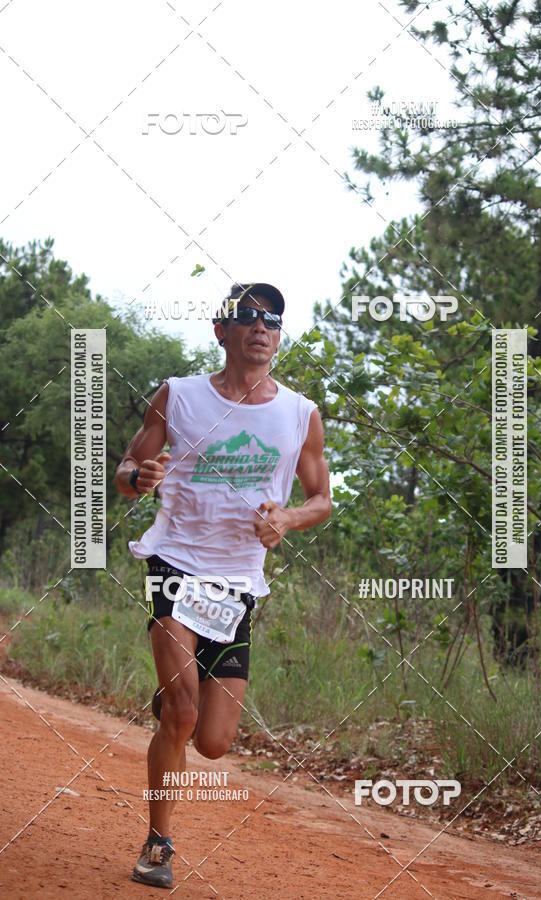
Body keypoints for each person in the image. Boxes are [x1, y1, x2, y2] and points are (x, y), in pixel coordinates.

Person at [114, 283, 331, 888]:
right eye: (250, 316)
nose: (262, 326)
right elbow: (126, 471)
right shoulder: (177, 395)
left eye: (273, 320)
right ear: (223, 330)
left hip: (238, 583)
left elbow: (321, 500)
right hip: (176, 562)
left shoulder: (299, 413)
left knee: (211, 741)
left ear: (278, 336)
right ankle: (158, 845)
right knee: (183, 714)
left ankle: (171, 707)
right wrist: (142, 477)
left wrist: (287, 518)